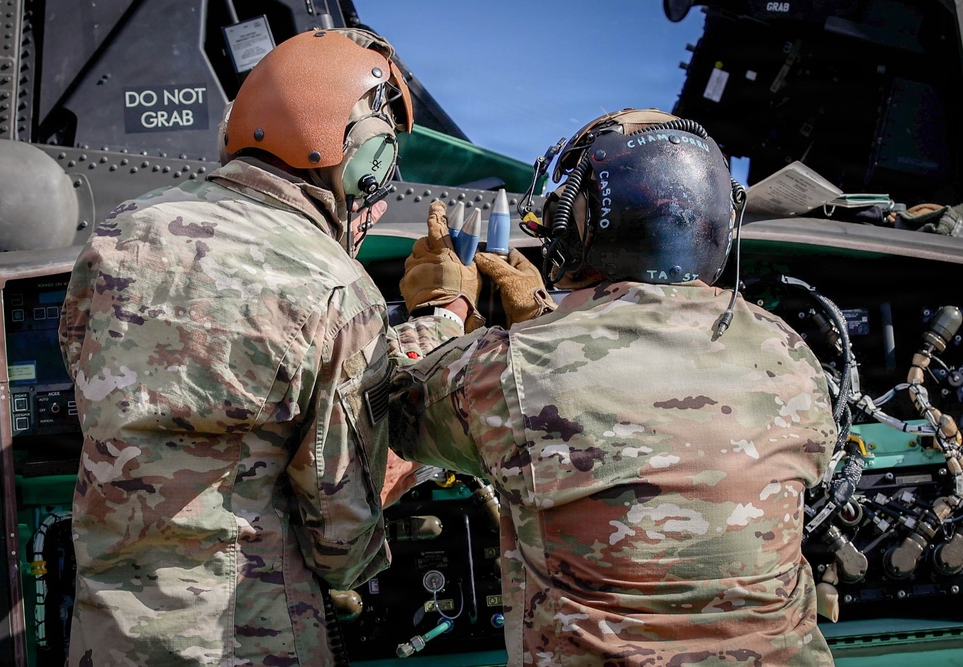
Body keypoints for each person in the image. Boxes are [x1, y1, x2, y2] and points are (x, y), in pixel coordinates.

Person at [389, 108, 838, 666]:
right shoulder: (789, 353)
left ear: (581, 222)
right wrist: (542, 323)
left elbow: (398, 409)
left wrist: (443, 307)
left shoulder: (513, 369)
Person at [58, 27, 449, 666]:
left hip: (107, 641)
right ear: (359, 156)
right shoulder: (334, 287)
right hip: (243, 641)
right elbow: (341, 545)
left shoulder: (120, 236)